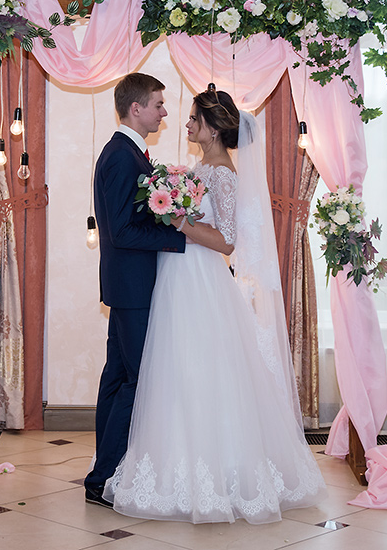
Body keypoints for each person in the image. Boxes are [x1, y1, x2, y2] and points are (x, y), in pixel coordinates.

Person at [103, 86, 327, 524]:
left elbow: (227, 241)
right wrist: (174, 213)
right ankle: (174, 465)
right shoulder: (201, 166)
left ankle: (218, 474)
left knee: (202, 370)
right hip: (175, 277)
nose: (183, 123)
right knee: (173, 371)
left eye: (191, 118)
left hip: (200, 279)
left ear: (211, 126)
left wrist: (179, 222)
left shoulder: (223, 172)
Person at [84, 73, 187, 508]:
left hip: (128, 287)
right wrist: (178, 239)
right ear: (136, 108)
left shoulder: (127, 153)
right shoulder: (124, 157)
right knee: (136, 383)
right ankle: (104, 477)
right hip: (133, 289)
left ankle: (103, 474)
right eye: (159, 104)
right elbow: (123, 231)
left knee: (116, 378)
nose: (164, 112)